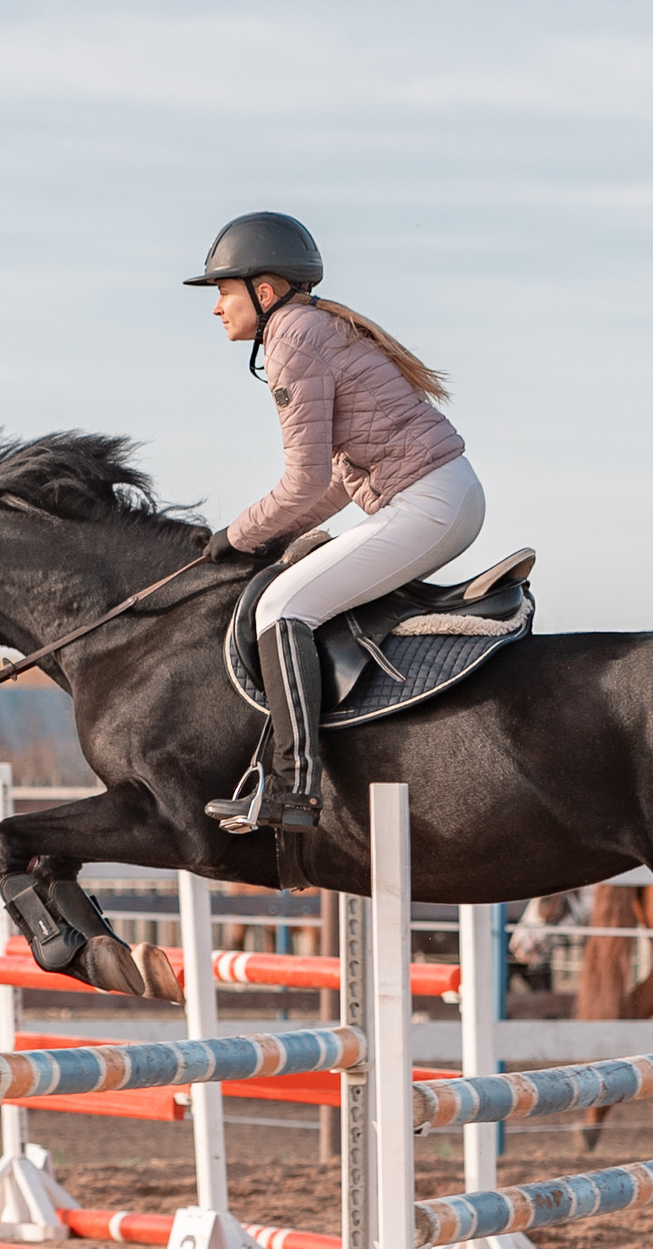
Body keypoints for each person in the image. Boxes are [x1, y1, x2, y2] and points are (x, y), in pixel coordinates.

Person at [186, 212, 484, 834]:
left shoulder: (290, 336)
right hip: (440, 497)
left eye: (223, 291)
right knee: (288, 585)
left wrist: (236, 536)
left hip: (428, 502)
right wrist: (265, 537)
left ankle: (294, 789)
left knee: (281, 608)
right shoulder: (309, 327)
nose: (217, 308)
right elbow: (325, 488)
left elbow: (300, 481)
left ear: (263, 292)